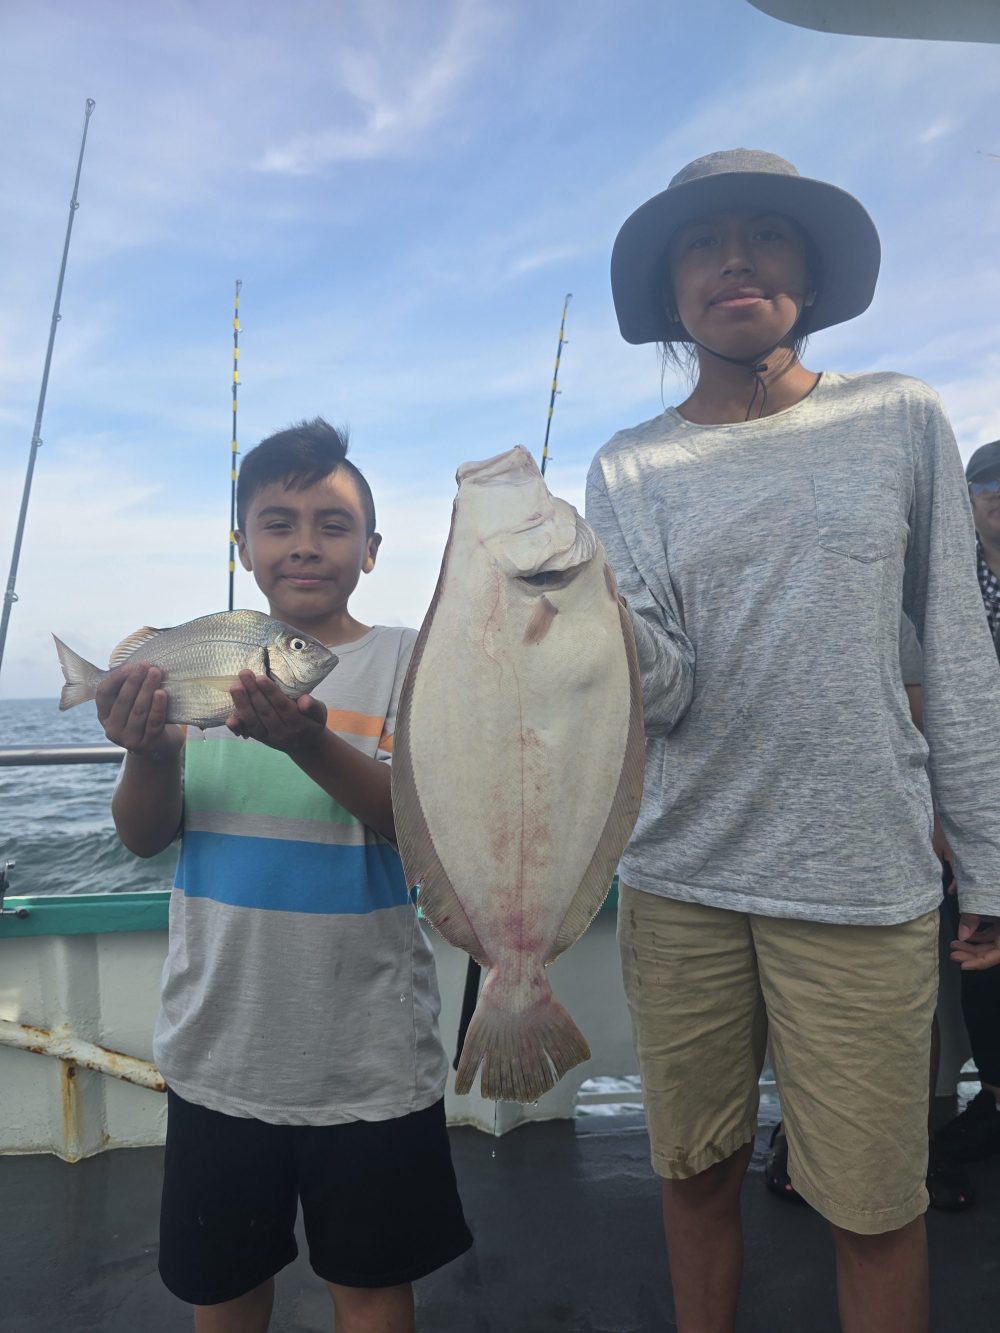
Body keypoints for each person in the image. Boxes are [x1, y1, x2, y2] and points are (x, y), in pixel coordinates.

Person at [586, 149, 1000, 1333]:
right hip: (679, 881)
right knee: (695, 1169)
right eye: (702, 242)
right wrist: (589, 608)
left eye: (766, 234)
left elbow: (960, 655)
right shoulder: (627, 465)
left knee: (874, 1201)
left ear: (806, 275)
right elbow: (658, 696)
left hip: (863, 880)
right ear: (669, 292)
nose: (734, 259)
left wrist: (985, 853)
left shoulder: (899, 414)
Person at [97, 419, 472, 1333]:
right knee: (221, 1290)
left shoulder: (411, 661)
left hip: (372, 1057)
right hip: (219, 1049)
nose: (305, 542)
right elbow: (144, 835)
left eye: (333, 524)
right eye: (278, 521)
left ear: (373, 550)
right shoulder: (203, 661)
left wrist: (309, 740)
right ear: (244, 547)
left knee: (374, 1287)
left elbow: (421, 833)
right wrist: (146, 752)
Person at [931, 439, 1000, 1168]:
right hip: (967, 802)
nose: (999, 494)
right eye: (987, 482)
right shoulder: (942, 582)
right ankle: (996, 1096)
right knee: (977, 950)